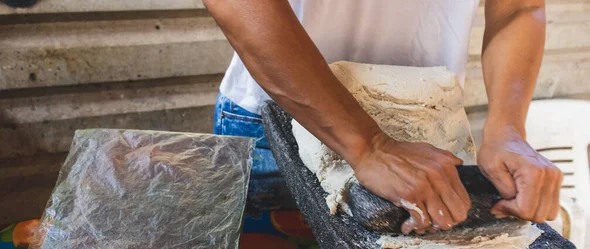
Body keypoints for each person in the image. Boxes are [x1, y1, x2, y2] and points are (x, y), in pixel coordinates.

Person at [205, 0, 563, 234]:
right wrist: (368, 145)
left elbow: (519, 7)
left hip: (426, 132)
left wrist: (508, 127)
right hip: (281, 122)